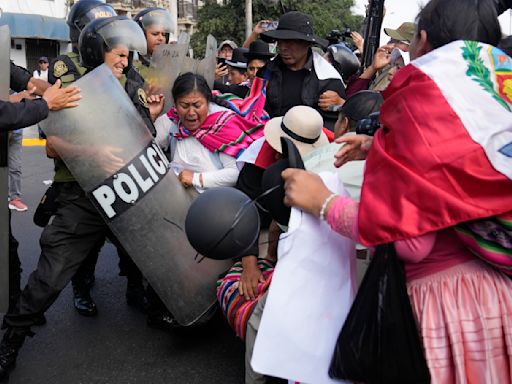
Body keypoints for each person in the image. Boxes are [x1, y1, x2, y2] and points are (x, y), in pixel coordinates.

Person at [282, 0, 512, 382]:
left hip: (446, 314)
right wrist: (378, 146)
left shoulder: (417, 109)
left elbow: (408, 240)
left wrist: (322, 202)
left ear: (421, 43)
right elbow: (465, 164)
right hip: (500, 306)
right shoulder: (500, 100)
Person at [0, 16, 164, 380]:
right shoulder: (74, 88)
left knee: (153, 256)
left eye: (128, 55)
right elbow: (52, 148)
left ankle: (158, 308)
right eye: (118, 55)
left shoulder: (134, 84)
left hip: (130, 189)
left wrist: (151, 115)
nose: (124, 62)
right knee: (52, 273)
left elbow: (144, 134)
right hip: (84, 194)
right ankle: (11, 339)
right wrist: (93, 154)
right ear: (96, 51)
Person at [258, 11, 346, 130]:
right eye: (280, 41)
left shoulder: (327, 79)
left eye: (290, 41)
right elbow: (255, 112)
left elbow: (333, 126)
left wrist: (340, 104)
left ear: (307, 43)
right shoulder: (267, 72)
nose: (283, 47)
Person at [132, 7, 175, 77]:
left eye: (164, 35)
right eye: (155, 34)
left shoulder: (170, 66)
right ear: (141, 35)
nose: (161, 38)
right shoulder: (129, 68)